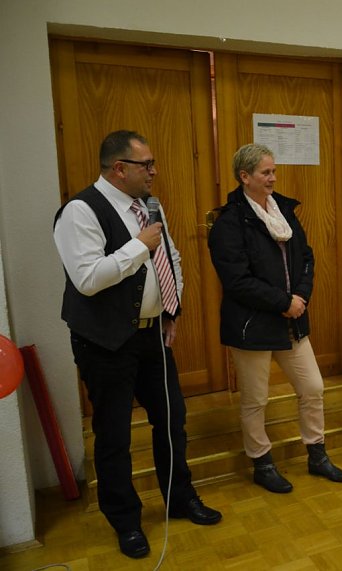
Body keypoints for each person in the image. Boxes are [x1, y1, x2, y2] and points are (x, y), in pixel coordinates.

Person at [53, 130, 222, 559]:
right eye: (146, 164)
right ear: (119, 168)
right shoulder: (80, 210)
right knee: (113, 436)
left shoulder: (148, 205)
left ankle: (179, 499)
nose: (154, 171)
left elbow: (169, 257)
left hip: (152, 335)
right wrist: (136, 246)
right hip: (104, 342)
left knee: (172, 420)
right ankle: (125, 521)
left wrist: (172, 308)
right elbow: (88, 280)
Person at [208, 143, 342, 493]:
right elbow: (237, 281)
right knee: (255, 399)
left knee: (313, 388)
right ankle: (262, 463)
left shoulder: (284, 210)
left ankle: (317, 456)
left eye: (273, 171)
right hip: (252, 325)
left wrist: (299, 297)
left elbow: (307, 258)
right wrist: (284, 301)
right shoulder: (229, 222)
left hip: (292, 318)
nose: (273, 178)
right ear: (245, 177)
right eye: (266, 172)